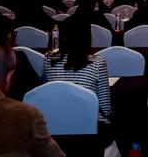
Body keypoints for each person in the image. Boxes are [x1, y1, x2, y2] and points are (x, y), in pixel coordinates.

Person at [45, 15, 113, 145]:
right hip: (89, 132)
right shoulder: (98, 62)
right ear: (87, 37)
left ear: (63, 37)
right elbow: (106, 109)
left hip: (55, 130)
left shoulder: (49, 60)